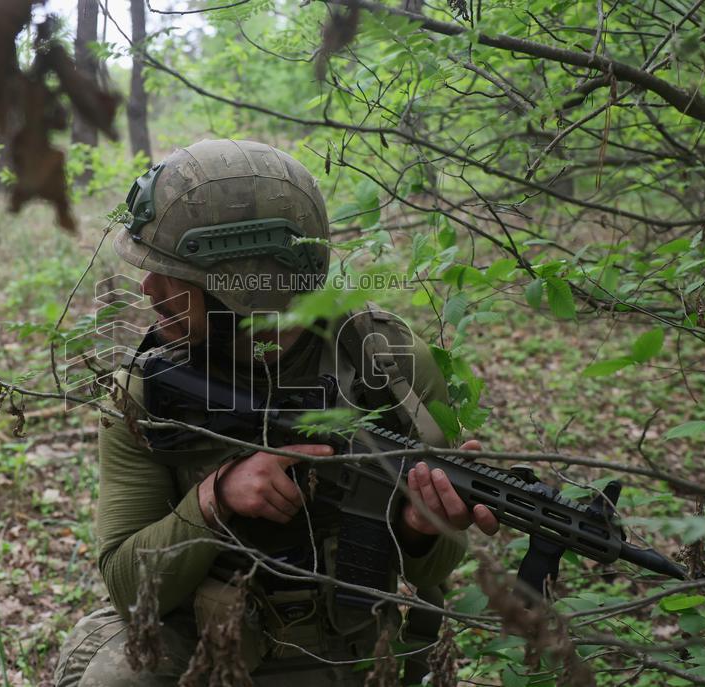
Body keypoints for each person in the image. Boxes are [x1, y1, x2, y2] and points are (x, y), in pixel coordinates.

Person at [53, 139, 498, 687]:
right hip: (199, 638)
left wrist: (419, 528)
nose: (146, 287)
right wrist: (215, 497)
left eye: (172, 275)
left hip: (353, 642)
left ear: (243, 287)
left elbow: (436, 568)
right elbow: (127, 587)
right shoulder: (146, 391)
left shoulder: (388, 365)